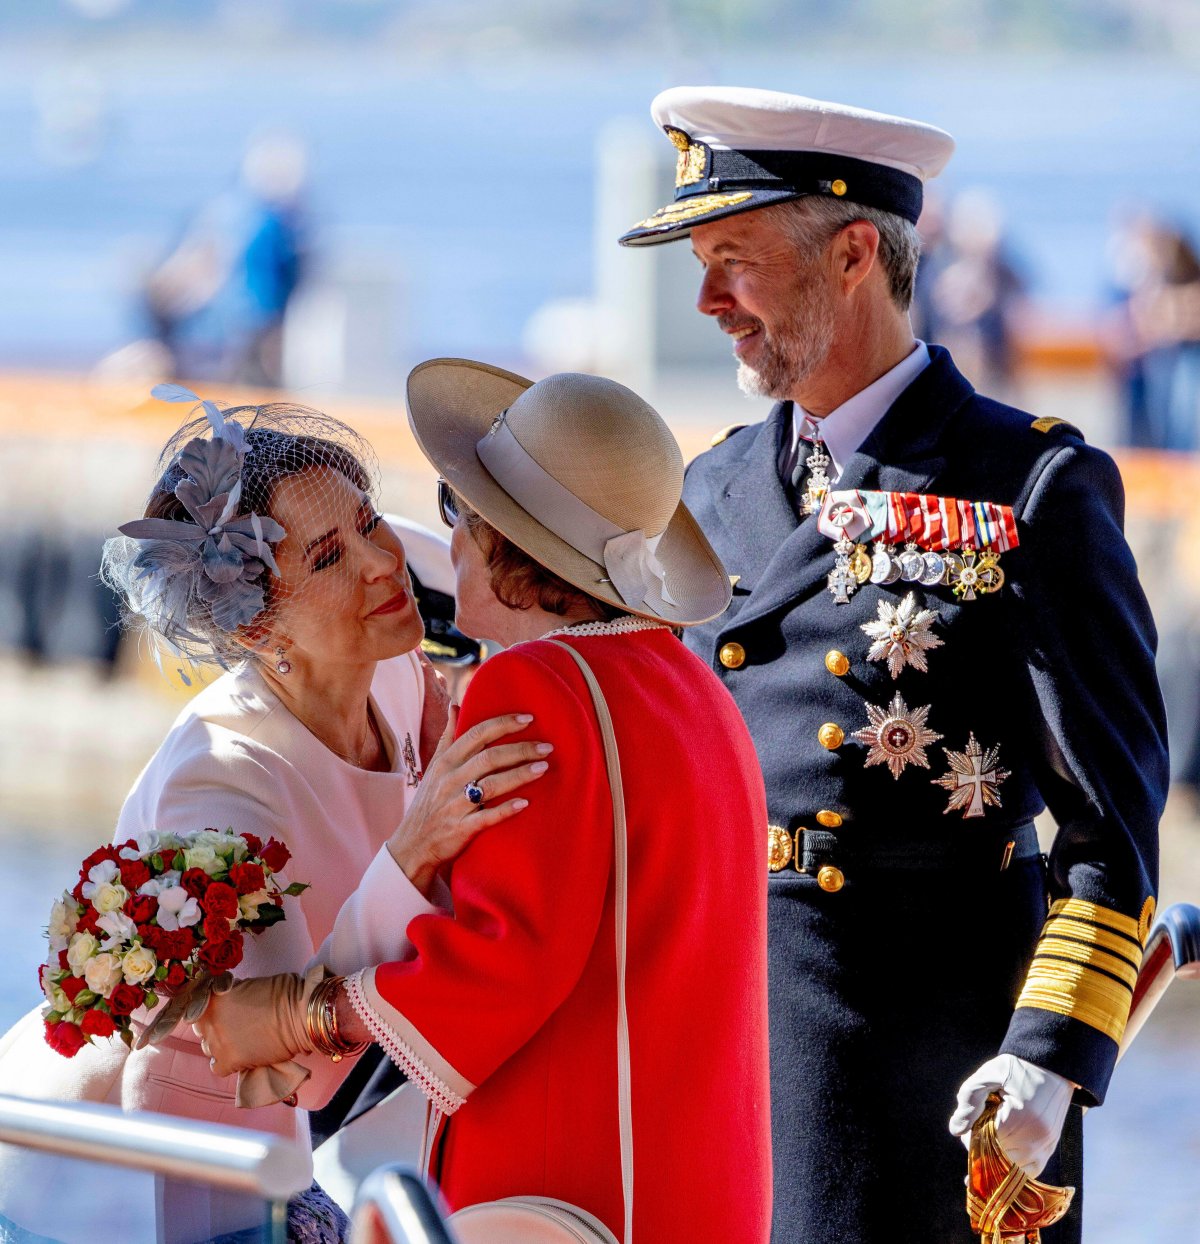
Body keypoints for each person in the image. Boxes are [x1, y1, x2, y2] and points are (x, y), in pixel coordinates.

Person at [617, 87, 1166, 1242]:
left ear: (855, 250)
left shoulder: (1027, 487)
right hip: (721, 1054)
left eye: (735, 260)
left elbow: (1111, 832)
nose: (710, 301)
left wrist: (1048, 1061)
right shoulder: (713, 487)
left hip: (930, 1082)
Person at [195, 363, 774, 1243]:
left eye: (458, 511)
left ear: (508, 544)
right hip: (695, 1182)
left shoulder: (536, 683)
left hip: (571, 1193)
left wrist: (288, 1015)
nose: (445, 541)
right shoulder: (691, 683)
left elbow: (498, 966)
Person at [0, 390, 547, 1244]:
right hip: (126, 1157)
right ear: (257, 625)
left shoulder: (398, 676)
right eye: (330, 558)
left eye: (370, 522)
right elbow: (275, 1062)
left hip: (285, 1127)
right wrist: (411, 850)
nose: (382, 562)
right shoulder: (219, 785)